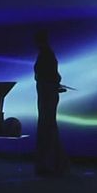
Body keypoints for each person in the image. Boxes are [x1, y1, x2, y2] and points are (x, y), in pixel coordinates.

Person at [33, 29, 70, 175]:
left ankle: (50, 164)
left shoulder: (46, 54)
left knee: (47, 127)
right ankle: (53, 164)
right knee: (48, 127)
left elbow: (51, 75)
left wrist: (50, 84)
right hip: (46, 94)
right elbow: (54, 76)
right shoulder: (47, 53)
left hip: (46, 95)